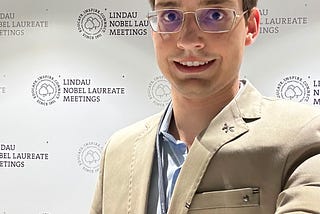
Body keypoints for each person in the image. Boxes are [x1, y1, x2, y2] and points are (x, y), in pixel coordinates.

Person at [90, 0, 320, 213]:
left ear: (250, 26)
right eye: (170, 16)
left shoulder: (302, 137)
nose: (188, 41)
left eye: (215, 15)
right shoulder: (119, 150)